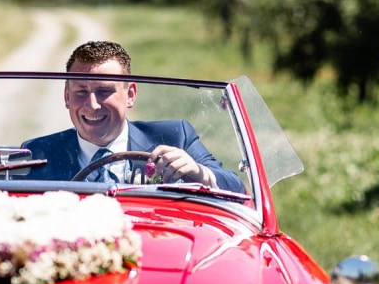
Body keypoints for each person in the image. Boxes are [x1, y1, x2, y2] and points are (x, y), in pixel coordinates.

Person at [21, 41, 245, 192]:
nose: (92, 105)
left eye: (104, 91)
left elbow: (237, 188)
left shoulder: (176, 137)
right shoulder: (40, 153)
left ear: (130, 95)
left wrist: (198, 172)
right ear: (67, 97)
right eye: (81, 92)